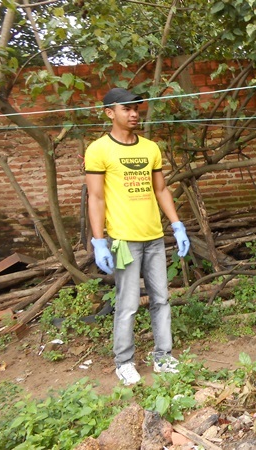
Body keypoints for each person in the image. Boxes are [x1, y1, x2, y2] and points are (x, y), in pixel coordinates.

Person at [85, 87, 191, 385]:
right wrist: (99, 240)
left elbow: (160, 189)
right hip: (122, 241)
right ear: (110, 113)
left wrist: (177, 224)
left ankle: (162, 355)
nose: (134, 114)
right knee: (128, 302)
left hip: (154, 236)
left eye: (136, 108)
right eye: (126, 109)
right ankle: (124, 361)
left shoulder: (150, 148)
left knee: (161, 299)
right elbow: (96, 198)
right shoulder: (99, 150)